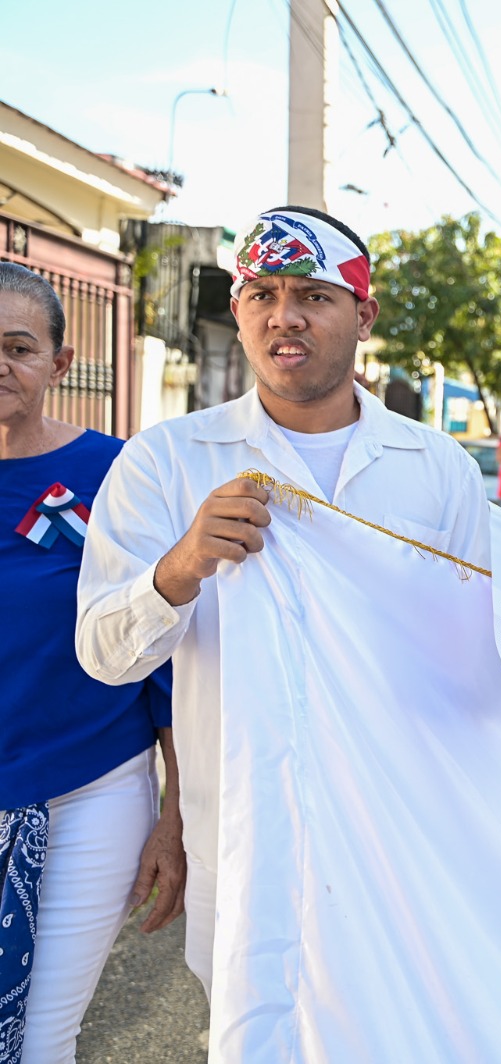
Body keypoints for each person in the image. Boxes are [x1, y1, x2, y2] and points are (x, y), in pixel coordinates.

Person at [75, 206, 491, 997]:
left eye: (313, 294)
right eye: (261, 293)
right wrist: (182, 565)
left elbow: (474, 665)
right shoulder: (166, 462)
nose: (284, 316)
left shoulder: (437, 470)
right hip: (244, 845)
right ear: (236, 312)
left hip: (397, 846)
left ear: (363, 314)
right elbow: (103, 654)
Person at [0, 264, 183, 1063]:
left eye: (19, 347)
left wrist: (177, 817)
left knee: (41, 1042)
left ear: (60, 364)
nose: (2, 365)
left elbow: (173, 656)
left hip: (90, 791)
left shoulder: (118, 477)